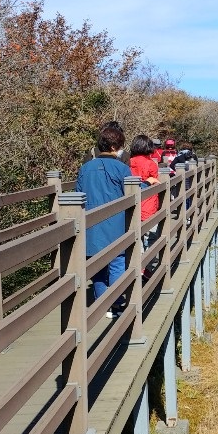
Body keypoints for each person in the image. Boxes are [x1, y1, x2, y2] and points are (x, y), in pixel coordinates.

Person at [76, 125, 132, 318]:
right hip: (116, 225)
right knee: (117, 263)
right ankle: (116, 303)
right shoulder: (122, 169)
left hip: (91, 227)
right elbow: (132, 194)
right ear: (116, 147)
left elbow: (78, 195)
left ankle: (102, 305)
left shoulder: (85, 168)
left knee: (97, 268)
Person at [129, 134, 161, 251]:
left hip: (132, 204)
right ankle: (146, 265)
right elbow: (156, 181)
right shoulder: (151, 163)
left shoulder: (129, 162)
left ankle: (139, 264)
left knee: (136, 237)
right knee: (150, 236)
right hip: (148, 205)